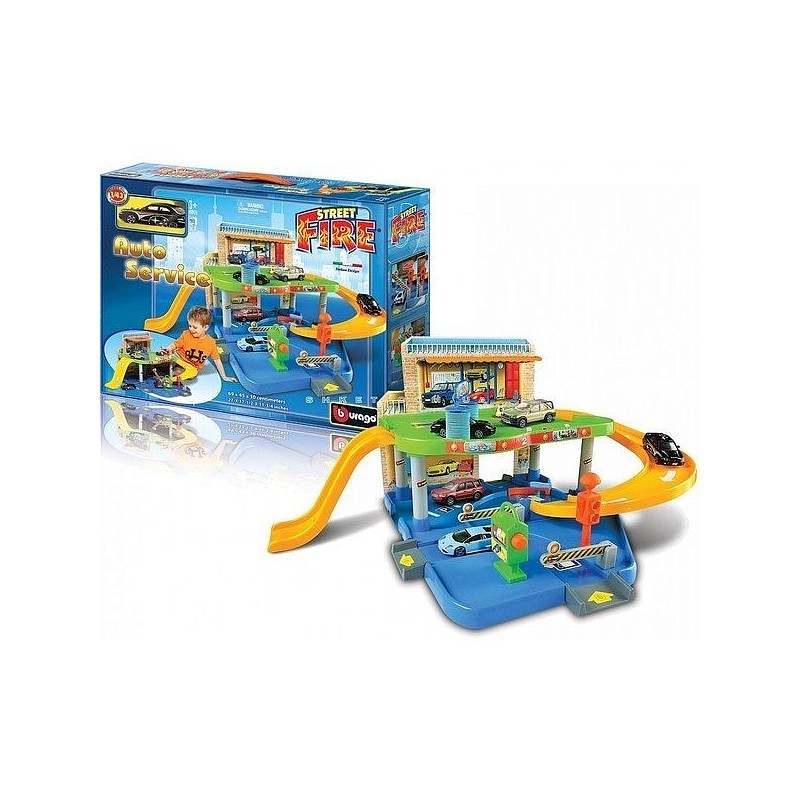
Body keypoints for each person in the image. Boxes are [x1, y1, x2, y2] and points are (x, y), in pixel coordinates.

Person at [162, 306, 237, 382]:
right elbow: (175, 344)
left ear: (205, 327)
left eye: (195, 327)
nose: (191, 329)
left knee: (188, 373)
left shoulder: (211, 343)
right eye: (190, 326)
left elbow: (217, 360)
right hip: (178, 358)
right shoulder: (186, 334)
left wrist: (224, 377)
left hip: (191, 367)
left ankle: (169, 378)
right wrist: (168, 349)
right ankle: (164, 367)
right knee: (165, 357)